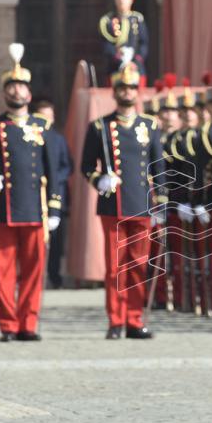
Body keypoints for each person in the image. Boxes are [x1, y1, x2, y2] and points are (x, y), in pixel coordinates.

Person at [0, 45, 64, 342]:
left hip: (35, 208)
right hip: (2, 207)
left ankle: (28, 323)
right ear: (4, 93)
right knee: (4, 271)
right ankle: (8, 325)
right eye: (11, 86)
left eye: (21, 86)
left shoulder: (42, 126)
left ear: (29, 94)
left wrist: (55, 208)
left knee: (34, 273)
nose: (17, 91)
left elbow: (53, 170)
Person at [80, 61, 166, 339]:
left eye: (131, 87)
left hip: (141, 203)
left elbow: (158, 166)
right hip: (113, 205)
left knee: (139, 265)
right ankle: (115, 320)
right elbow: (85, 165)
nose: (127, 92)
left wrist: (162, 202)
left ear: (137, 92)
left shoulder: (149, 125)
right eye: (122, 88)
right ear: (115, 92)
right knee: (116, 268)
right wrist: (99, 180)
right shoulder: (99, 127)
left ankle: (134, 319)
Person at [33, 100, 72, 289]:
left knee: (55, 241)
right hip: (34, 194)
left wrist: (55, 178)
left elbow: (67, 165)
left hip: (56, 196)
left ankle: (54, 275)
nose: (47, 120)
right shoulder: (30, 136)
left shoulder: (58, 139)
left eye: (50, 116)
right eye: (43, 116)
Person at [98, 0, 149, 79]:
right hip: (115, 69)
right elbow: (107, 45)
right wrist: (120, 62)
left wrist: (135, 62)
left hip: (136, 70)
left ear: (131, 0)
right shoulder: (108, 21)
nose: (121, 0)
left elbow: (144, 44)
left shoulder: (137, 19)